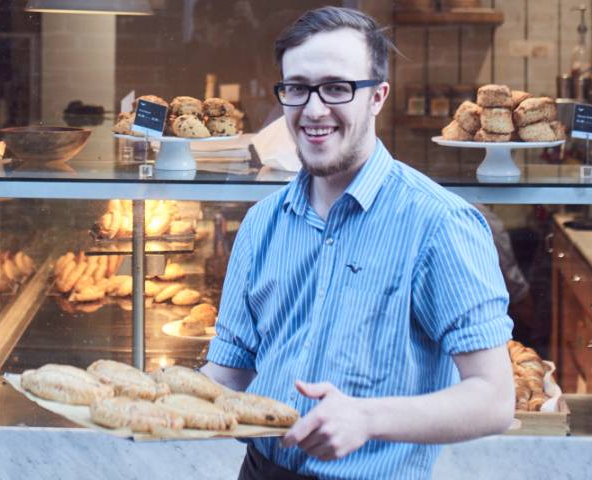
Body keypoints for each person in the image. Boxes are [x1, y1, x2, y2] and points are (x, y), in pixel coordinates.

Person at [198, 7, 515, 479]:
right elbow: (230, 372)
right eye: (297, 88)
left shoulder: (438, 224)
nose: (314, 109)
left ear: (377, 97)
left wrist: (368, 418)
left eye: (337, 87)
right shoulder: (262, 223)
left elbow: (493, 399)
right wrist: (146, 402)